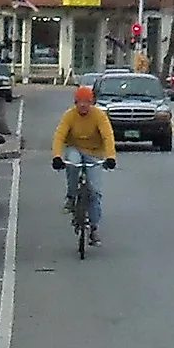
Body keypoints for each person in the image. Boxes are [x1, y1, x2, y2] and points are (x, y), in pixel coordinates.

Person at [50, 81, 118, 243]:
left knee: (95, 191)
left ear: (92, 102)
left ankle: (94, 227)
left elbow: (108, 136)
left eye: (87, 102)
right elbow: (59, 136)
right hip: (74, 148)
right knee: (73, 164)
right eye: (80, 102)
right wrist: (57, 156)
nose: (83, 105)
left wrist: (111, 157)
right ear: (75, 103)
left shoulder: (99, 116)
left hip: (94, 152)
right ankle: (71, 197)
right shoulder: (69, 116)